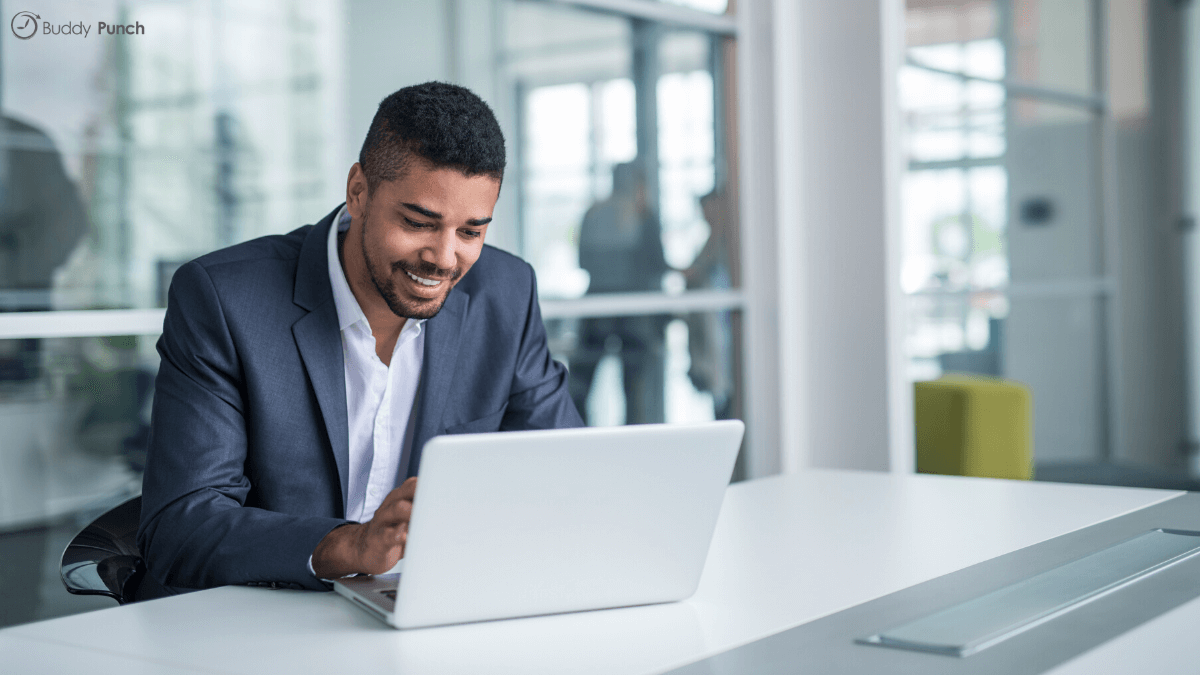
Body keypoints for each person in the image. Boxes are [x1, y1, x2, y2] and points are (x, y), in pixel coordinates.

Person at [137, 82, 583, 596]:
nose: (443, 257)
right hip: (253, 616)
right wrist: (350, 546)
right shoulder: (225, 300)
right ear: (358, 191)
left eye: (471, 232)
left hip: (424, 611)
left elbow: (563, 473)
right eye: (418, 223)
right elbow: (180, 526)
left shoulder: (505, 293)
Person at [570, 162, 669, 424]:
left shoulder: (592, 213)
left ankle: (578, 439)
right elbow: (657, 265)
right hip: (634, 314)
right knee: (634, 389)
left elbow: (582, 262)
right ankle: (636, 447)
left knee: (581, 382)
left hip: (595, 307)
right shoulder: (643, 216)